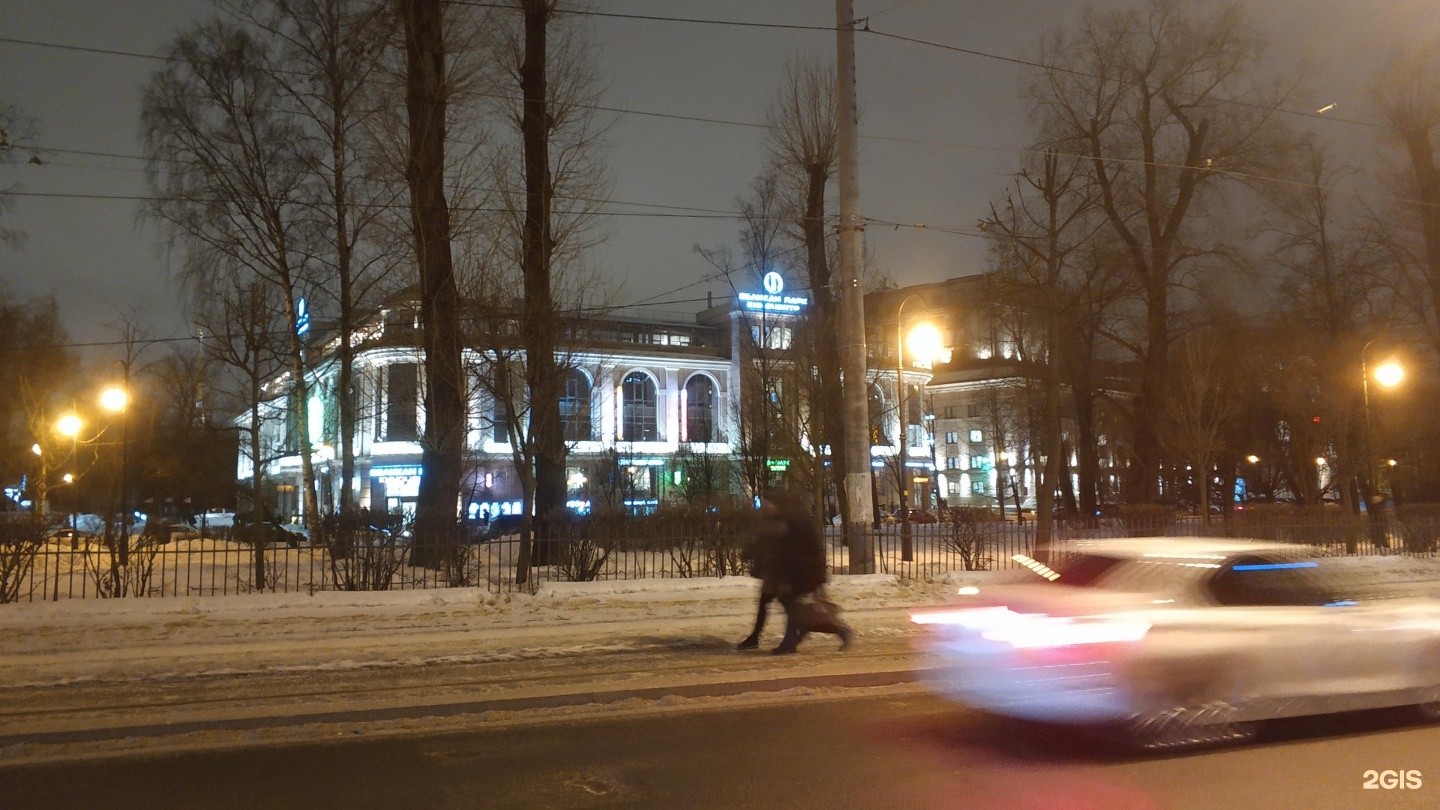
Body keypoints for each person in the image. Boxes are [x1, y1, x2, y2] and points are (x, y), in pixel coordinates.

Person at [736, 491, 853, 654]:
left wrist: (789, 578)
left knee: (791, 604)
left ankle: (826, 633)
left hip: (801, 574)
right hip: (783, 573)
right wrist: (750, 552)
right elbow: (765, 541)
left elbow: (797, 552)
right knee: (771, 602)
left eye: (768, 503)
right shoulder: (778, 521)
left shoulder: (795, 522)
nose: (765, 506)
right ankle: (760, 638)